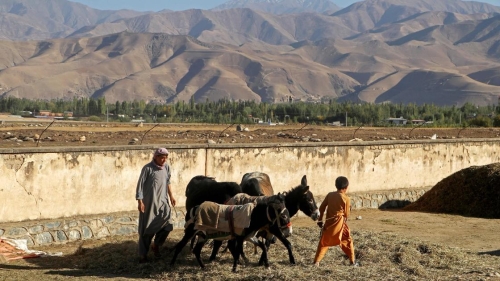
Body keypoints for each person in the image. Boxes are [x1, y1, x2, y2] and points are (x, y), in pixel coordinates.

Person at [136, 147, 177, 263]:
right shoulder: (148, 168)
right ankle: (143, 255)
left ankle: (156, 245)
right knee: (147, 229)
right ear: (156, 157)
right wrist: (140, 201)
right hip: (150, 204)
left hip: (163, 202)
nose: (164, 160)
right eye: (161, 158)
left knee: (168, 225)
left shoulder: (167, 167)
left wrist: (171, 196)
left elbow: (168, 182)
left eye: (165, 158)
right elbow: (140, 185)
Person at [313, 176, 358, 267]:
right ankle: (352, 262)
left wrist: (320, 220)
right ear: (346, 188)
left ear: (335, 185)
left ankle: (316, 262)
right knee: (347, 240)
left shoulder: (330, 195)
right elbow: (346, 214)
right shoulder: (346, 199)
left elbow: (322, 208)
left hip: (329, 224)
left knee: (324, 242)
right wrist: (349, 209)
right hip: (339, 224)